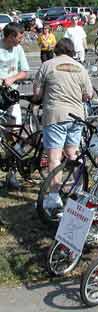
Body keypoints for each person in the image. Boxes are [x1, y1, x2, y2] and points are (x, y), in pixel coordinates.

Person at [33, 38, 93, 210]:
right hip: (76, 116)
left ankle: (53, 196)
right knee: (72, 154)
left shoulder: (47, 65)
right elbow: (88, 95)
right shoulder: (80, 68)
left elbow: (36, 93)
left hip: (55, 116)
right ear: (72, 52)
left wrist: (42, 95)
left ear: (56, 50)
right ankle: (80, 187)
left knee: (54, 157)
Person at [0, 22, 29, 189]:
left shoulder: (18, 49)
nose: (21, 40)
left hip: (11, 96)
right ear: (10, 36)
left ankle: (12, 174)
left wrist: (12, 79)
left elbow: (25, 71)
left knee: (15, 135)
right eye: (19, 37)